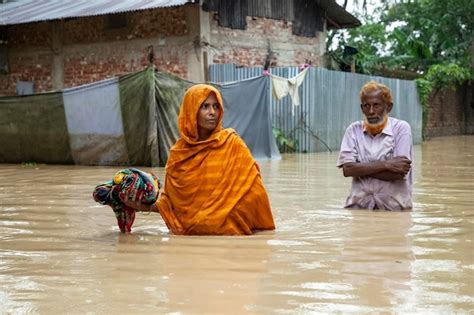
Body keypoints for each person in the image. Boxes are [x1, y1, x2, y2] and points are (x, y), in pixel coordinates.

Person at [123, 84, 276, 234]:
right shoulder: (178, 155)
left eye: (216, 106)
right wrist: (142, 205)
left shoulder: (232, 144)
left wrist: (229, 212)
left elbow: (255, 194)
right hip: (189, 249)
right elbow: (171, 203)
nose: (212, 112)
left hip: (231, 244)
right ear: (191, 111)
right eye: (205, 106)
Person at [337, 81, 413, 210]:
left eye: (376, 105)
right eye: (366, 106)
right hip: (358, 206)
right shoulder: (353, 130)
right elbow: (347, 170)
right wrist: (386, 164)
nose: (371, 111)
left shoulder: (401, 129)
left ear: (388, 107)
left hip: (394, 208)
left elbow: (399, 173)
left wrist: (360, 169)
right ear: (362, 108)